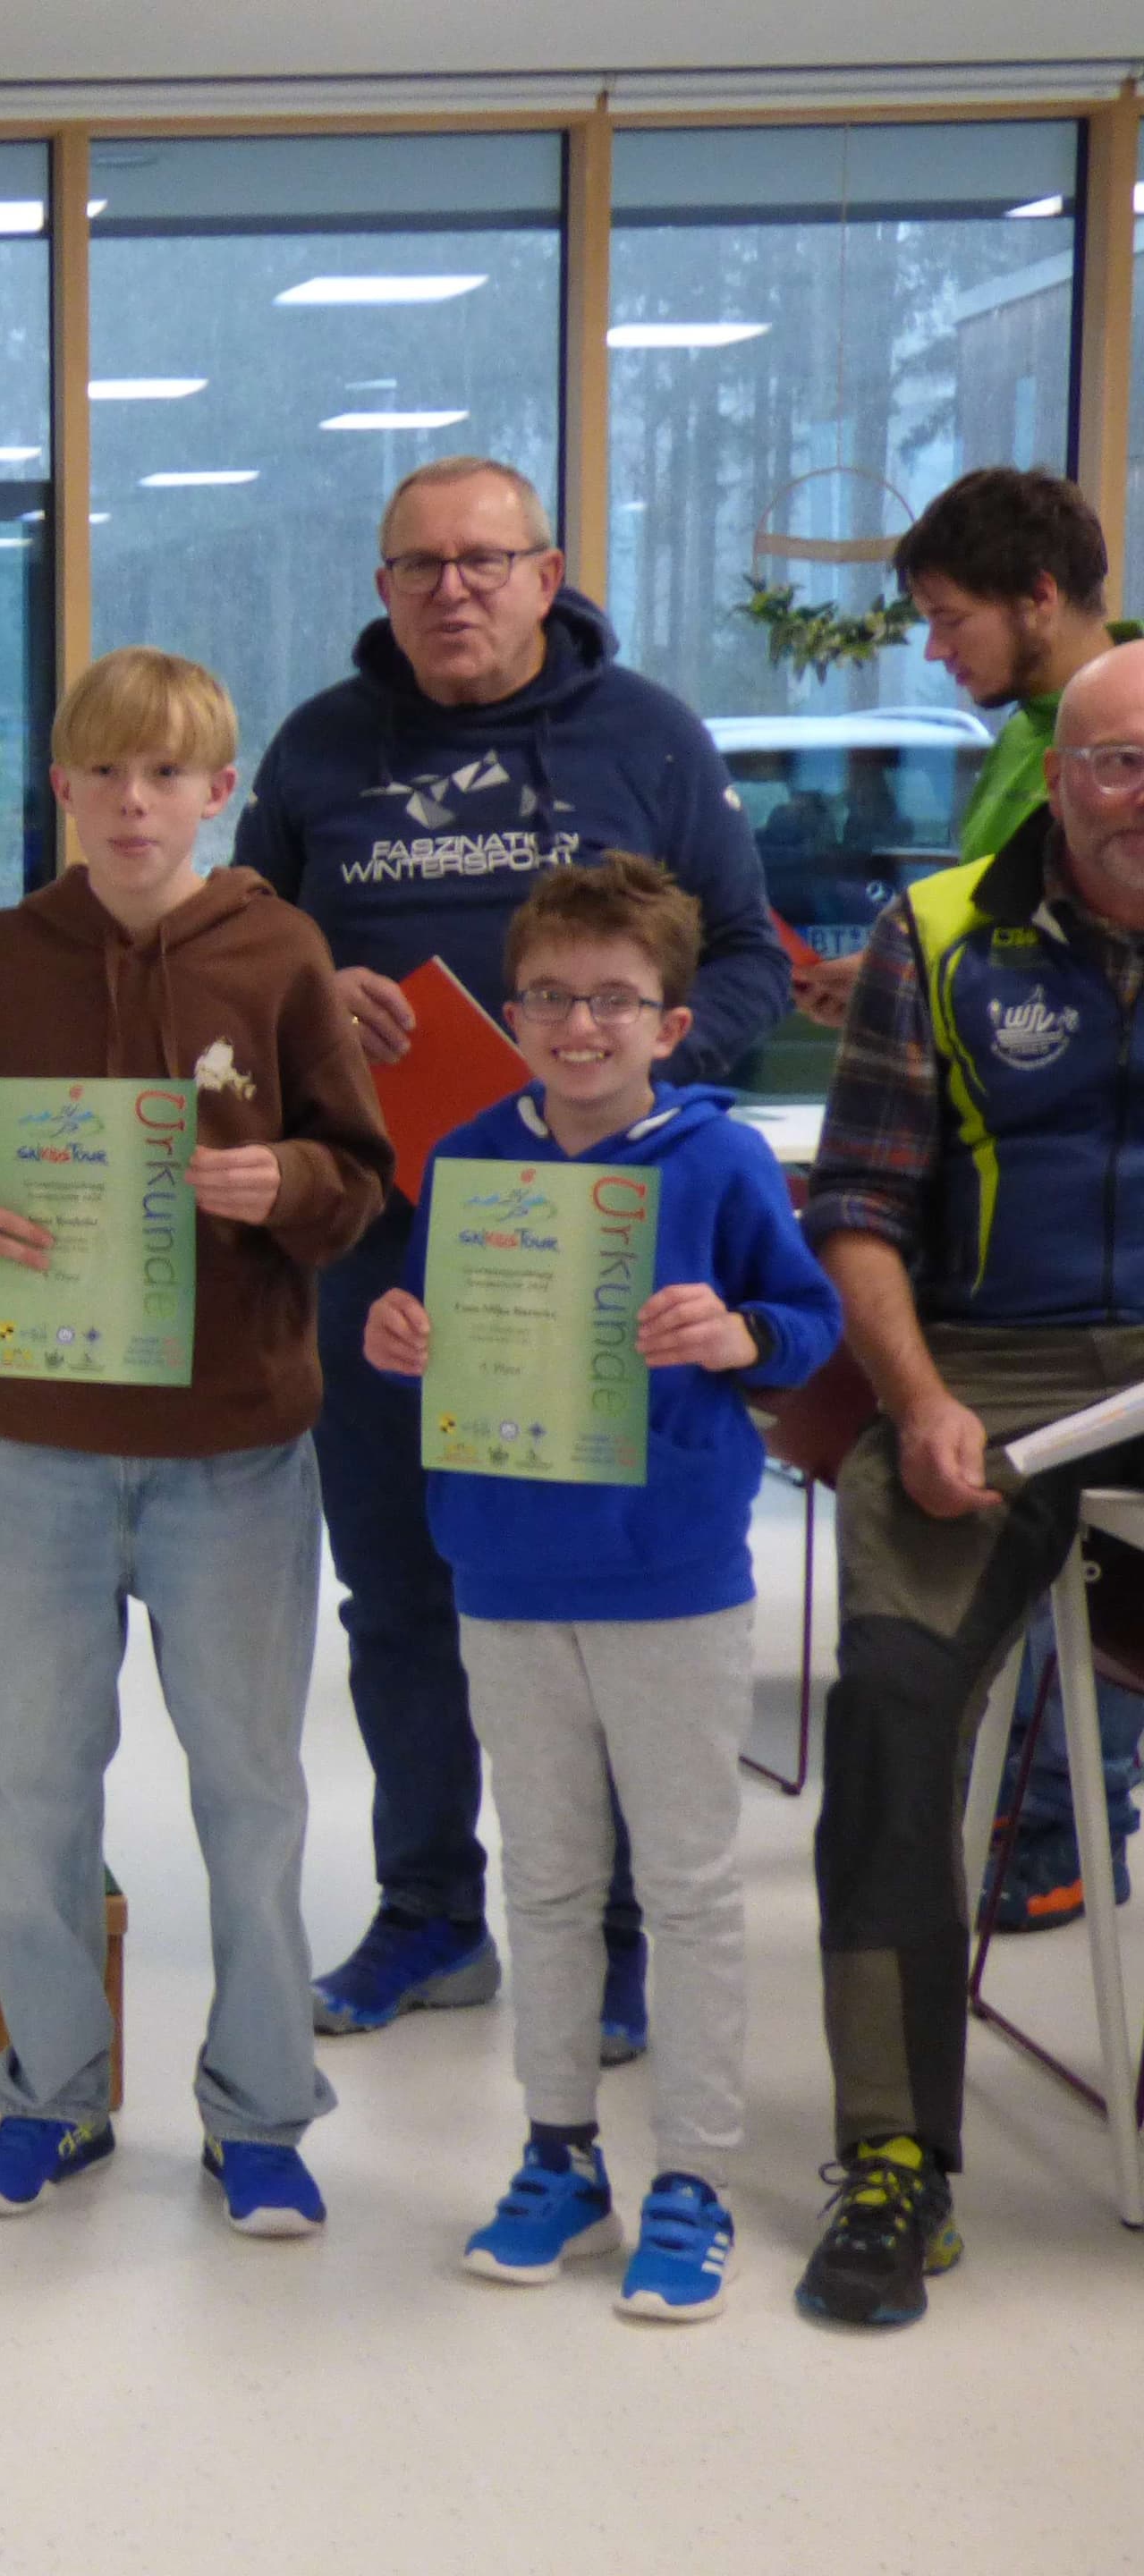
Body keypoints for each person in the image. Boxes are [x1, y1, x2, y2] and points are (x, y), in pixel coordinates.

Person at [233, 455, 792, 2048]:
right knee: (397, 1587)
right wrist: (307, 992)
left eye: (483, 560)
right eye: (418, 565)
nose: (451, 590)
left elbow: (745, 959)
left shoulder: (649, 739)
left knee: (584, 1601)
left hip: (598, 1230)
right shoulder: (321, 748)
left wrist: (625, 1075)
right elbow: (240, 957)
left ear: (549, 575)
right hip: (387, 1241)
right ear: (383, 587)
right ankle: (428, 1912)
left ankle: (606, 1934)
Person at [0, 648, 390, 2238]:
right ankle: (52, 2095)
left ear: (219, 793)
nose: (132, 802)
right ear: (60, 789)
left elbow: (358, 1175)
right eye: (102, 772)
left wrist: (286, 1182)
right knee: (38, 1788)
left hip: (233, 1452)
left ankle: (261, 2116)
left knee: (250, 1791)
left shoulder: (280, 955)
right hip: (36, 1448)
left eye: (166, 774)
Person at [364, 858, 842, 2323]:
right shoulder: (464, 1160)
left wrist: (736, 1332)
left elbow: (809, 1323)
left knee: (687, 1887)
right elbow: (448, 1337)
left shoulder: (719, 1162)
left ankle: (692, 2175)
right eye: (552, 998)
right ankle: (560, 2153)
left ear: (672, 1024)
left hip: (669, 1577)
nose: (581, 1026)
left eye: (615, 1001)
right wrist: (402, 1339)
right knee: (548, 1878)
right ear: (511, 1014)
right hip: (505, 1569)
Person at [795, 638, 1144, 2326]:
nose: (1142, 796)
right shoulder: (934, 935)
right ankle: (891, 2156)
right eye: (1115, 763)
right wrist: (916, 1397)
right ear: (1058, 780)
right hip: (985, 1372)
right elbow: (860, 1204)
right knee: (887, 1706)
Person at [876, 469, 1144, 1925]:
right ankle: (1045, 1818)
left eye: (949, 617)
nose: (937, 651)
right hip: (1013, 1280)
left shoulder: (1085, 729)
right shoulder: (1025, 747)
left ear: (1040, 598)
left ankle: (1056, 1827)